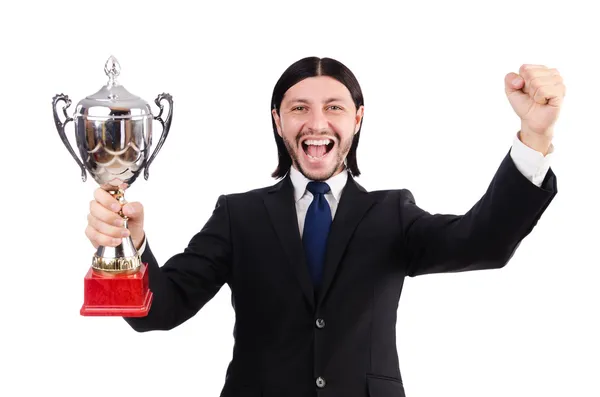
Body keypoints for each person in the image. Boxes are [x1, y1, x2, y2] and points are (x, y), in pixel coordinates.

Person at [85, 57, 564, 397]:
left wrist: (534, 137)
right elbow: (158, 313)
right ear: (278, 121)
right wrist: (131, 245)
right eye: (299, 108)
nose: (317, 122)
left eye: (334, 107)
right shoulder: (239, 216)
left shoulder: (391, 213)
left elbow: (485, 243)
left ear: (357, 120)